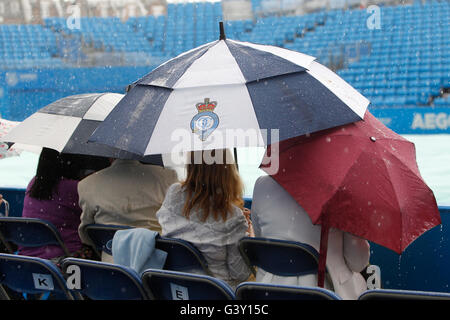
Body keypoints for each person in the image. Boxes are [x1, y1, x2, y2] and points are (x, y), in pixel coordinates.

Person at [250, 175, 370, 300]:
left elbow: (261, 238)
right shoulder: (342, 191)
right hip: (328, 292)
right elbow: (357, 263)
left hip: (269, 291)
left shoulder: (262, 184)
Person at [156, 149, 253, 289]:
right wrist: (248, 232)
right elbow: (240, 274)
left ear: (192, 166)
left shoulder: (174, 193)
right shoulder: (233, 216)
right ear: (227, 171)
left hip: (178, 286)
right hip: (217, 291)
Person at [77, 158, 178, 261]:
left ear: (109, 156)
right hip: (159, 262)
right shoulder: (169, 176)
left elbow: (86, 235)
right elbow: (177, 222)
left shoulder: (86, 185)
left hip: (113, 265)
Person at [18, 148, 96, 262]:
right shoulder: (74, 188)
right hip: (65, 258)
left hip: (28, 257)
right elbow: (94, 215)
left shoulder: (34, 183)